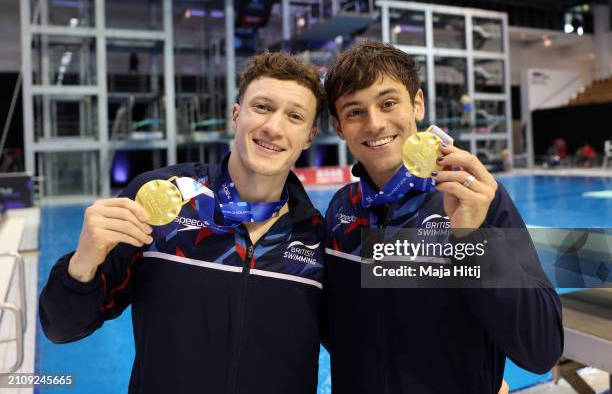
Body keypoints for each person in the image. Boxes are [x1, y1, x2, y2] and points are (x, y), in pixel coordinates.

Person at [39, 52, 326, 394]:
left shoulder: (319, 236)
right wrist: (83, 260)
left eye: (294, 116)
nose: (273, 128)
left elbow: (374, 334)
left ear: (310, 135)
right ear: (236, 115)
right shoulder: (160, 203)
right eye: (262, 107)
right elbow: (61, 328)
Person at [322, 41, 563, 393]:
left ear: (417, 103)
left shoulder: (479, 199)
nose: (374, 124)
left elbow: (541, 348)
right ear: (338, 126)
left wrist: (471, 240)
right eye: (355, 111)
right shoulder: (342, 209)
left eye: (388, 103)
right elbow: (336, 326)